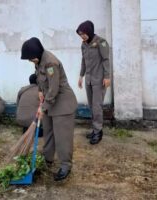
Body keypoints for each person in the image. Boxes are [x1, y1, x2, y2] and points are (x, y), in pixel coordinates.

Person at [21, 37, 78, 181]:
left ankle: (65, 165)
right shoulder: (39, 61)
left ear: (36, 53)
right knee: (48, 132)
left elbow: (53, 89)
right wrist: (40, 91)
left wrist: (43, 107)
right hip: (50, 102)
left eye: (30, 58)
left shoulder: (50, 62)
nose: (30, 61)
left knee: (62, 137)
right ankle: (47, 159)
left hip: (62, 103)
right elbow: (40, 79)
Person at [76, 20, 111, 145]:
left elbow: (106, 60)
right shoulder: (84, 44)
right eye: (80, 35)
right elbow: (84, 61)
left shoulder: (101, 42)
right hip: (89, 80)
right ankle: (95, 129)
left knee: (97, 107)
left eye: (84, 34)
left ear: (89, 31)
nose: (82, 36)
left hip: (99, 79)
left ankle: (98, 131)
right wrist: (81, 76)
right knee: (92, 106)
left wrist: (107, 77)